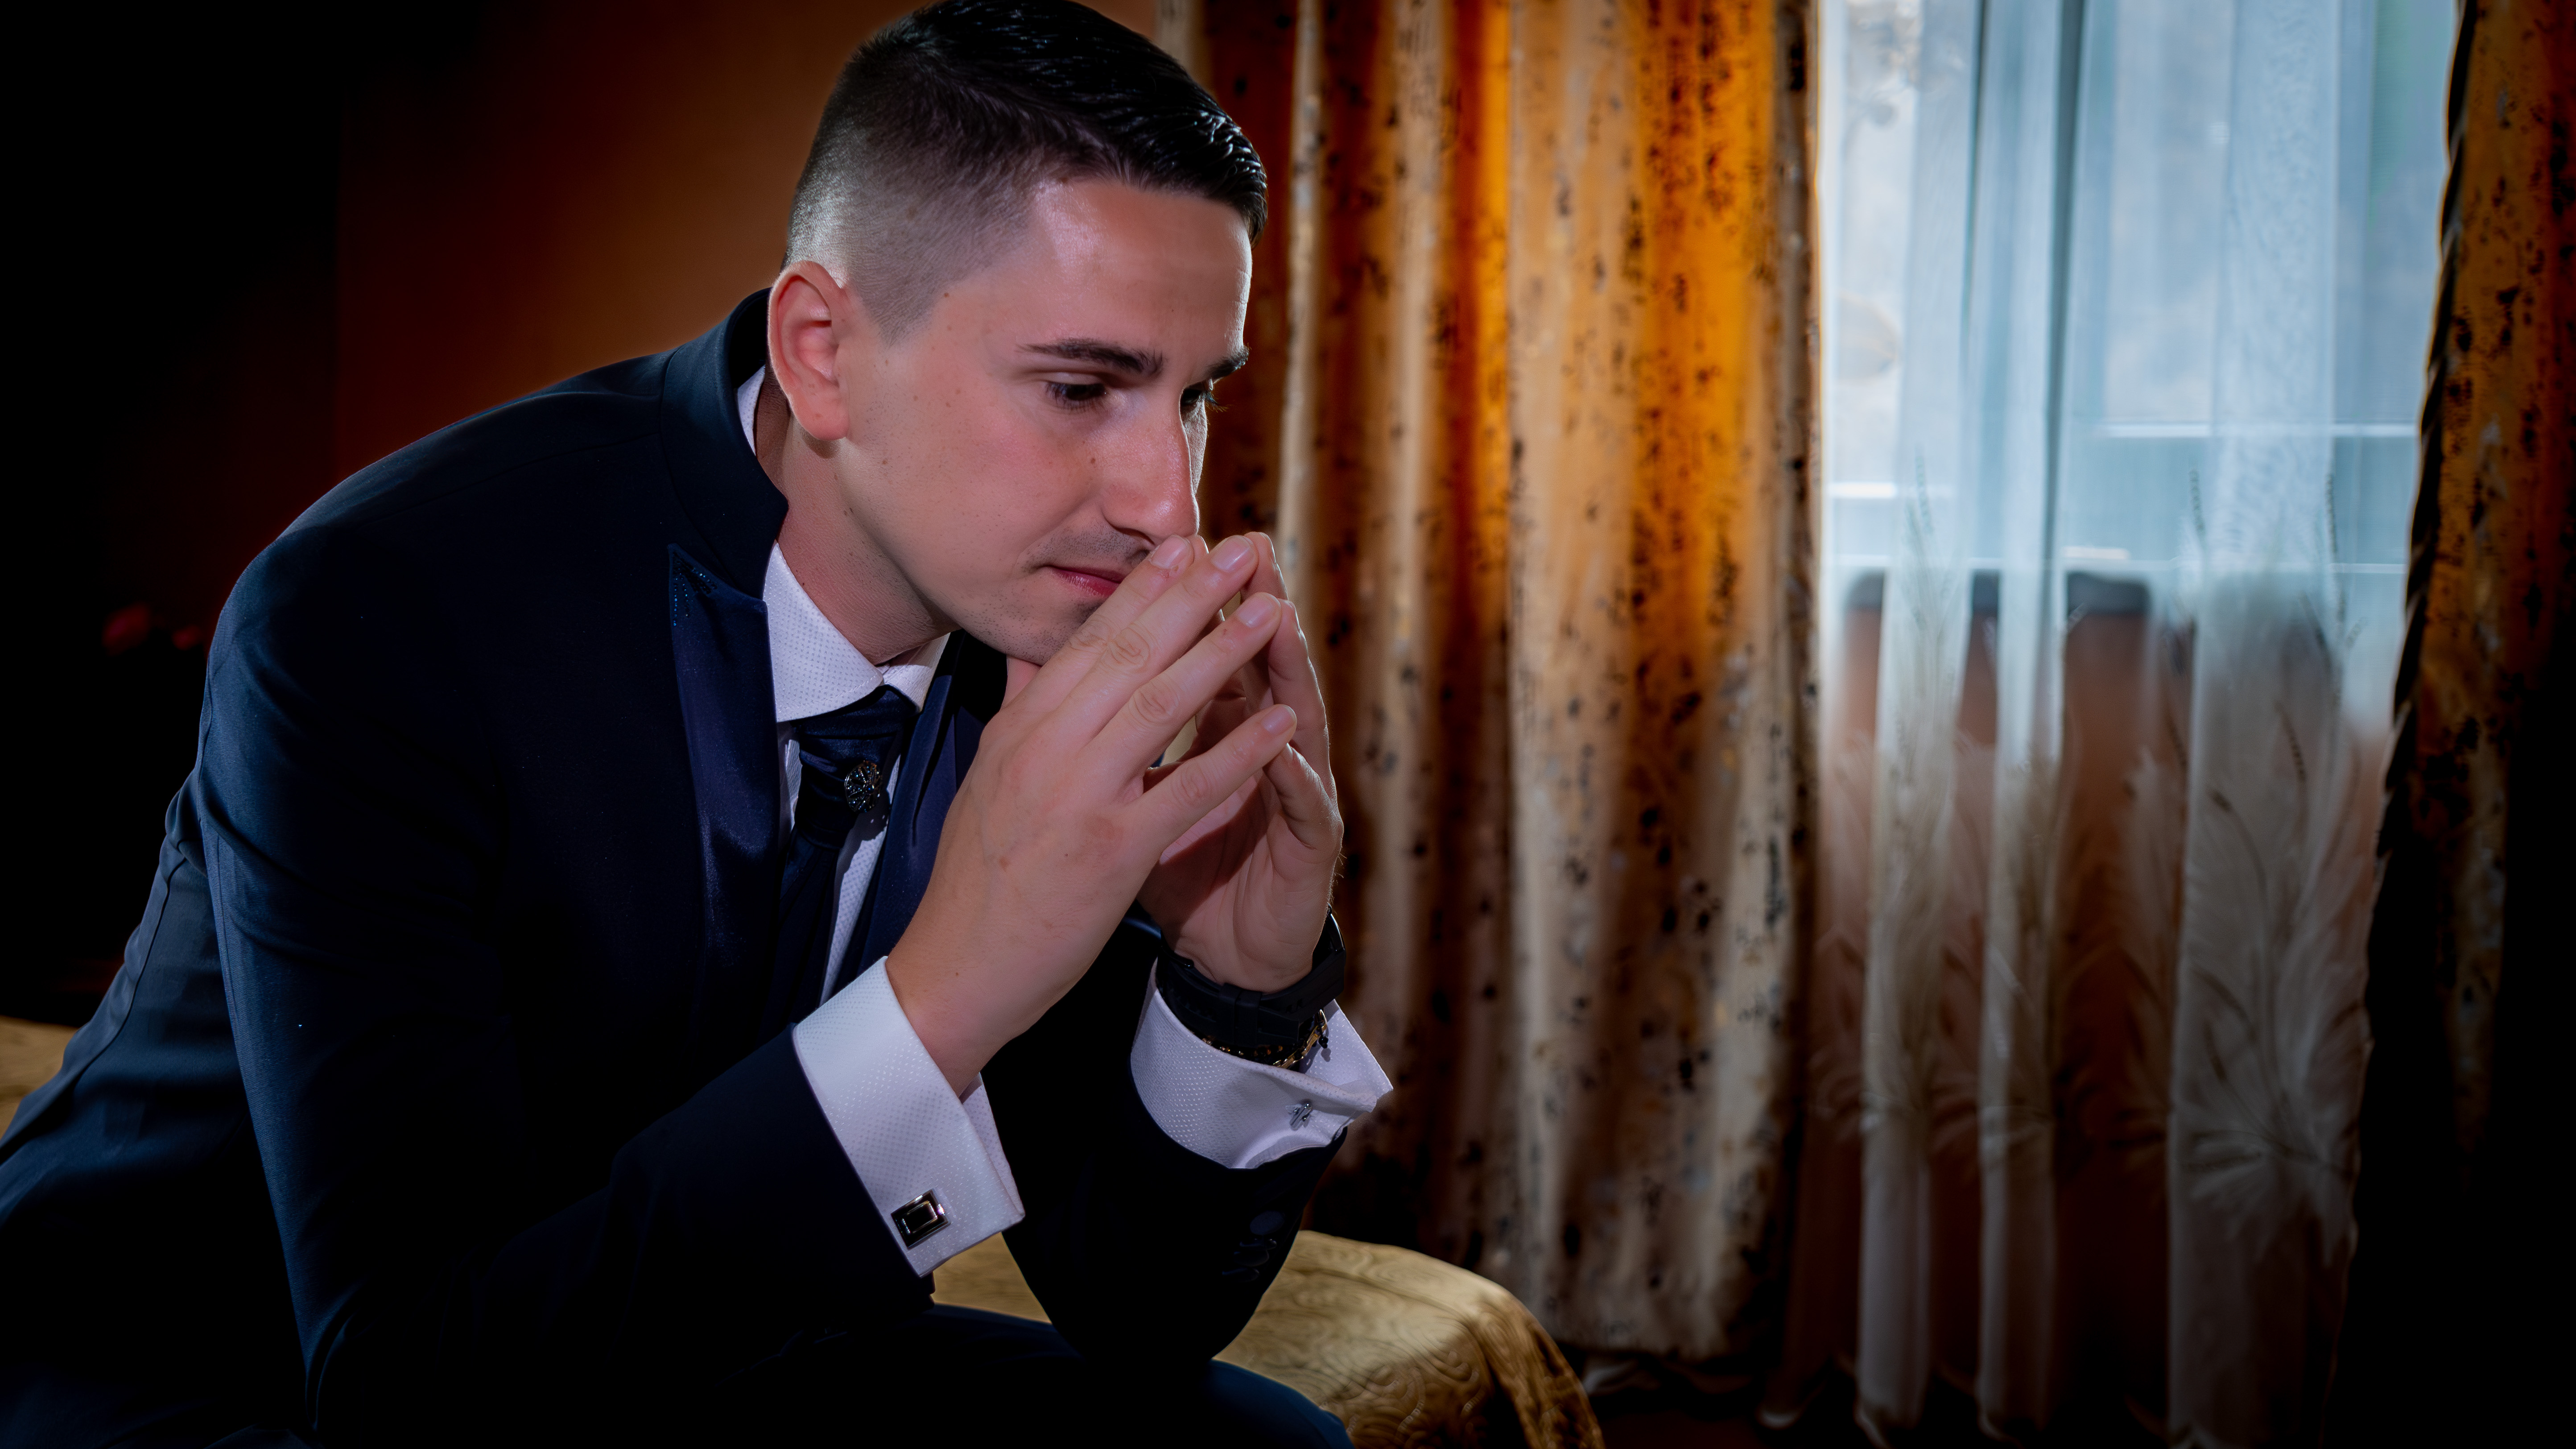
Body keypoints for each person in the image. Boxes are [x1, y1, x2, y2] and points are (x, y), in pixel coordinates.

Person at [0, 4, 1387, 1445]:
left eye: (1194, 396)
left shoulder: (1036, 617)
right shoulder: (375, 609)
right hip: (221, 1370)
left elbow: (1137, 1310)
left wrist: (1239, 987)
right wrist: (948, 993)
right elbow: (402, 1385)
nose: (1166, 501)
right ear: (822, 352)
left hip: (703, 1334)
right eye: (1081, 388)